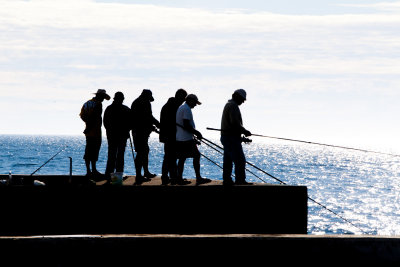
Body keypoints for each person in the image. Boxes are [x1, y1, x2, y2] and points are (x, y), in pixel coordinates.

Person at [176, 94, 211, 185]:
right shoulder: (186, 109)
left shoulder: (181, 107)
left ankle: (179, 178)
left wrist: (194, 134)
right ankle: (198, 178)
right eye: (195, 103)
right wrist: (197, 133)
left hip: (180, 138)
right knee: (196, 155)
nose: (195, 105)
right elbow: (186, 124)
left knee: (182, 158)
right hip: (186, 139)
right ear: (190, 101)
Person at [220, 89, 252, 185]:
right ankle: (240, 180)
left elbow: (231, 125)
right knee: (240, 160)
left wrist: (241, 137)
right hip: (231, 138)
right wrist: (244, 131)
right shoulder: (233, 106)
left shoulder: (228, 104)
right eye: (242, 99)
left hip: (226, 137)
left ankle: (227, 180)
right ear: (237, 96)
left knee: (228, 160)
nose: (242, 102)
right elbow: (234, 123)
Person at [131, 89, 160, 185]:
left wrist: (154, 125)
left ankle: (145, 172)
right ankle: (139, 176)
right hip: (139, 132)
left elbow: (147, 117)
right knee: (141, 153)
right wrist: (158, 125)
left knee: (144, 151)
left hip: (141, 132)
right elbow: (146, 117)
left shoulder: (140, 102)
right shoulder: (141, 103)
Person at [159, 89, 188, 185]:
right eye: (183, 98)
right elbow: (174, 123)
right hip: (171, 136)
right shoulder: (174, 107)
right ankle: (171, 177)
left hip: (168, 136)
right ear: (179, 96)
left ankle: (169, 177)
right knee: (170, 157)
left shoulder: (168, 105)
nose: (183, 101)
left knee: (169, 157)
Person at [80, 89, 110, 179]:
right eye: (103, 97)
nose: (103, 99)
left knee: (88, 150)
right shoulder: (98, 104)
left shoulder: (87, 103)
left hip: (88, 132)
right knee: (94, 150)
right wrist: (90, 126)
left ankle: (89, 171)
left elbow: (82, 115)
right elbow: (95, 117)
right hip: (95, 131)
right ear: (100, 96)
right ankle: (93, 170)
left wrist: (87, 125)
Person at [104, 92, 132, 183]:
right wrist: (127, 130)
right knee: (120, 156)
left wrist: (110, 131)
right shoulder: (126, 109)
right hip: (122, 136)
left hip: (112, 136)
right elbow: (131, 122)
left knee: (111, 155)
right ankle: (117, 178)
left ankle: (109, 176)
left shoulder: (109, 109)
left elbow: (105, 123)